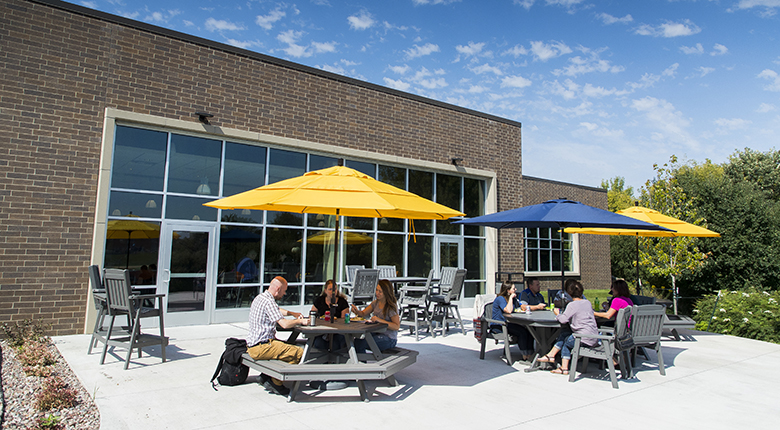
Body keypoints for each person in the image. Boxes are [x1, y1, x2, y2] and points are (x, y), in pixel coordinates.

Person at [246, 276, 309, 396]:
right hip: (262, 347)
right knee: (299, 352)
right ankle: (275, 382)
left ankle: (266, 376)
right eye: (284, 291)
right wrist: (301, 321)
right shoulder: (269, 302)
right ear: (278, 289)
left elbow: (277, 310)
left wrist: (292, 313)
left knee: (287, 346)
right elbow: (284, 324)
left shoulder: (261, 298)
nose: (284, 293)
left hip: (254, 344)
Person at [537, 280, 598, 375]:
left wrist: (557, 314)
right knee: (565, 333)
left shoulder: (572, 305)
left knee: (566, 342)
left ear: (568, 293)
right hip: (594, 337)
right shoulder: (587, 303)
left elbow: (563, 320)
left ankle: (564, 367)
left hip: (583, 339)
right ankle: (551, 355)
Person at [351, 280, 400, 354]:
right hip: (377, 333)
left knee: (361, 343)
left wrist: (379, 320)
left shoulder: (391, 307)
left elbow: (396, 326)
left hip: (389, 338)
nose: (377, 293)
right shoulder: (376, 302)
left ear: (386, 293)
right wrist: (357, 312)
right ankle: (360, 362)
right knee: (358, 340)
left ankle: (361, 363)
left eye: (380, 291)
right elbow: (364, 313)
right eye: (377, 290)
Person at [491, 282, 534, 360]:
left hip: (508, 324)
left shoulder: (513, 299)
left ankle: (530, 353)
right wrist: (511, 298)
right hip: (499, 325)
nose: (516, 290)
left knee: (529, 330)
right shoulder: (500, 299)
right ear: (508, 290)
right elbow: (508, 310)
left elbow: (519, 307)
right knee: (522, 332)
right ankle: (525, 355)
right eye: (514, 289)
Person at [310, 279, 349, 350]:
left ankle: (335, 360)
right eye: (330, 289)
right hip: (321, 330)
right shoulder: (319, 300)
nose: (333, 292)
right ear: (325, 291)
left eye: (335, 289)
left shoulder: (342, 302)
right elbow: (312, 314)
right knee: (318, 343)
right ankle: (322, 360)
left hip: (337, 330)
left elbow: (344, 319)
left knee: (336, 344)